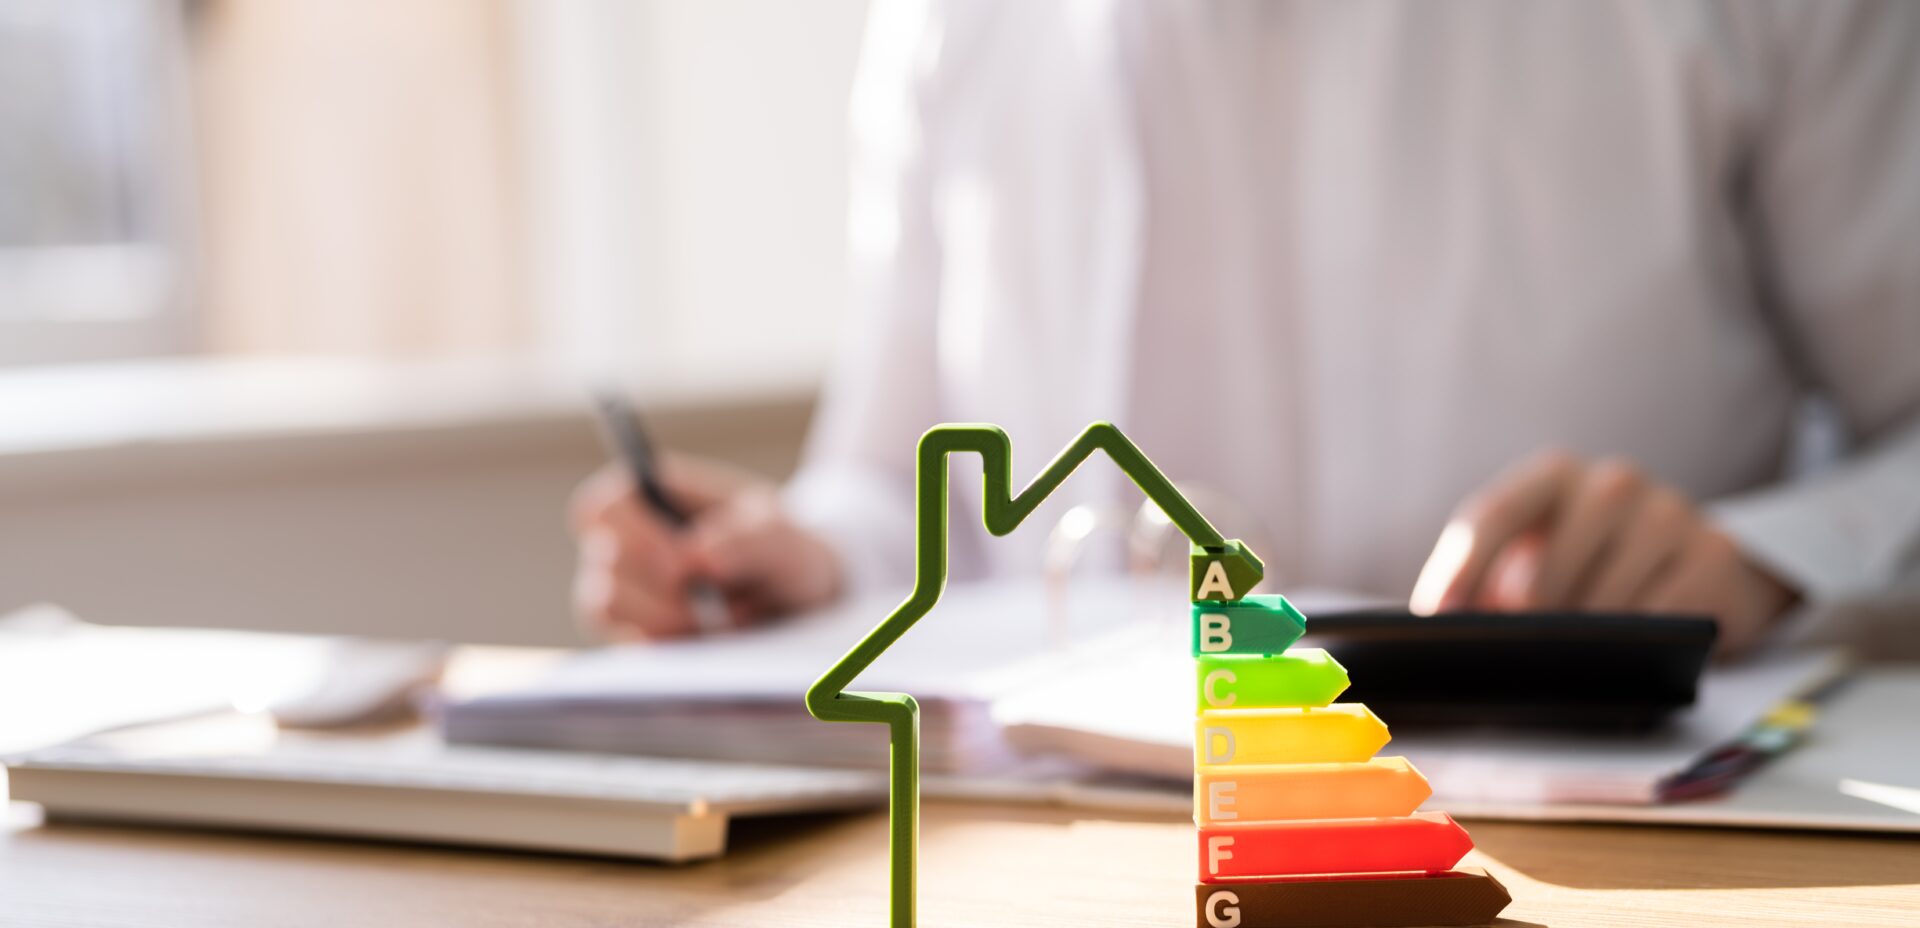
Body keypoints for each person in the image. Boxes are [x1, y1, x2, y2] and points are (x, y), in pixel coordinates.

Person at [573, 1, 1920, 657]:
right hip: (1072, 873)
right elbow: (892, 477)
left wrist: (1767, 557)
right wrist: (795, 558)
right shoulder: (950, 25)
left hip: (1612, 872)